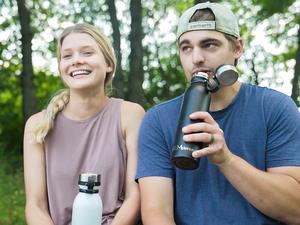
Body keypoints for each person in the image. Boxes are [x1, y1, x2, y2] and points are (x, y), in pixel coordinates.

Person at [136, 2, 300, 225]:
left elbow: (295, 210)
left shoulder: (274, 107)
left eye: (209, 45)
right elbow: (157, 213)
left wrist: (226, 160)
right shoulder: (157, 119)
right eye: (186, 48)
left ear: (237, 48)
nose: (196, 58)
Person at [23, 23, 144, 225]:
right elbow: (35, 206)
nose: (76, 61)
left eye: (87, 53)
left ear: (109, 64)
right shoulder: (37, 125)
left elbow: (135, 196)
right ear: (61, 66)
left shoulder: (130, 115)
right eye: (67, 56)